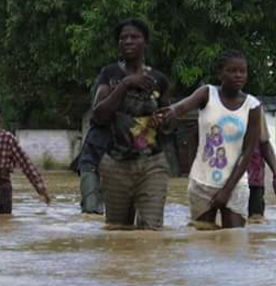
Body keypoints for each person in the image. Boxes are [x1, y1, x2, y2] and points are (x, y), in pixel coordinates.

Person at [156, 50, 260, 229]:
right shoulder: (207, 93)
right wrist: (172, 111)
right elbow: (183, 106)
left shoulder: (253, 106)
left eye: (242, 71)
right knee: (202, 243)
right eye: (232, 71)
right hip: (201, 183)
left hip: (235, 186)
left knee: (234, 242)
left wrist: (226, 191)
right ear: (220, 73)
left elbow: (247, 153)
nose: (238, 75)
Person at [93, 18, 171, 230]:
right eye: (123, 38)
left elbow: (169, 122)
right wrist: (126, 84)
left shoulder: (159, 79)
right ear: (118, 44)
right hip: (115, 164)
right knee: (118, 231)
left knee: (151, 230)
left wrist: (161, 121)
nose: (128, 41)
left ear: (145, 42)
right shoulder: (109, 75)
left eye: (134, 37)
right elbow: (98, 115)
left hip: (152, 164)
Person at [247, 116, 276, 222]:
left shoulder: (255, 107)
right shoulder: (212, 104)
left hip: (254, 180)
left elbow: (264, 143)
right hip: (222, 178)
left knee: (256, 221)